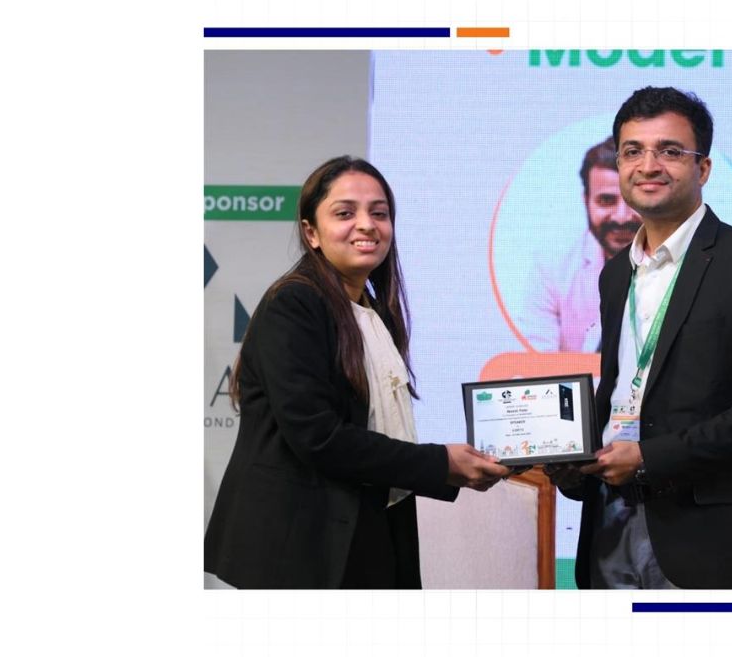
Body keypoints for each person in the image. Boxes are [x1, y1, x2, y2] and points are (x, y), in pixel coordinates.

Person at [546, 87, 732, 589]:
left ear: (703, 168)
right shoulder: (616, 273)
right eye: (633, 151)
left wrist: (649, 457)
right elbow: (621, 392)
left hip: (714, 539)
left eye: (669, 151)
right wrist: (575, 459)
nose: (648, 165)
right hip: (611, 526)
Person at [204, 156, 509, 589]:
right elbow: (320, 438)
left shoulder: (371, 310)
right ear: (311, 232)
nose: (366, 225)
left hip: (365, 527)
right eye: (345, 213)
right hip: (303, 549)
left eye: (379, 213)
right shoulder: (294, 305)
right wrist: (441, 463)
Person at [518, 137, 643, 352]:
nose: (622, 217)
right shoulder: (552, 268)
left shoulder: (688, 265)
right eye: (606, 201)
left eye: (634, 201)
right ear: (586, 201)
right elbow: (534, 362)